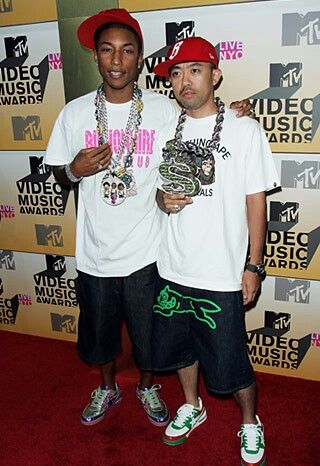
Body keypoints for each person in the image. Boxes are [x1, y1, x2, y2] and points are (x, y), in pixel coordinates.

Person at [45, 8, 253, 430]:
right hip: (94, 252)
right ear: (97, 58)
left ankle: (147, 386)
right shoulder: (74, 112)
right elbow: (57, 172)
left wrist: (236, 112)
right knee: (100, 337)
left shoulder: (165, 110)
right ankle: (106, 386)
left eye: (127, 51)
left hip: (148, 253)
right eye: (107, 51)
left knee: (150, 336)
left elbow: (205, 118)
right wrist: (75, 170)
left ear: (140, 59)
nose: (117, 60)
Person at [152, 36, 279, 466]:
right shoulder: (168, 127)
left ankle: (249, 421)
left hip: (221, 272)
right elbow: (158, 188)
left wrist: (253, 265)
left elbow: (255, 201)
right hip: (171, 265)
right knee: (182, 350)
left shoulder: (244, 128)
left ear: (216, 75)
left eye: (195, 70)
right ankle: (192, 405)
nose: (184, 81)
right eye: (175, 73)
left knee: (230, 361)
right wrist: (160, 199)